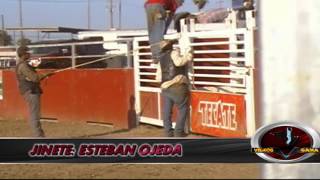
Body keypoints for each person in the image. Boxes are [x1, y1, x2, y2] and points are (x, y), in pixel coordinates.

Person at [15, 46, 54, 137]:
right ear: (23, 54)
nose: (30, 54)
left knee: (34, 113)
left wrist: (46, 74)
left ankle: (40, 136)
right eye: (28, 52)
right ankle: (39, 137)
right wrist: (46, 74)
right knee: (34, 114)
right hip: (31, 91)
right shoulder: (23, 66)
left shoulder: (24, 64)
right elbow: (35, 78)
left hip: (31, 90)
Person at [157, 39, 193, 137]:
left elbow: (158, 77)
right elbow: (178, 62)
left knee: (167, 111)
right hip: (176, 85)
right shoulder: (173, 53)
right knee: (183, 108)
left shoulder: (161, 58)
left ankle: (168, 133)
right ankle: (178, 132)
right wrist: (188, 56)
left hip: (165, 86)